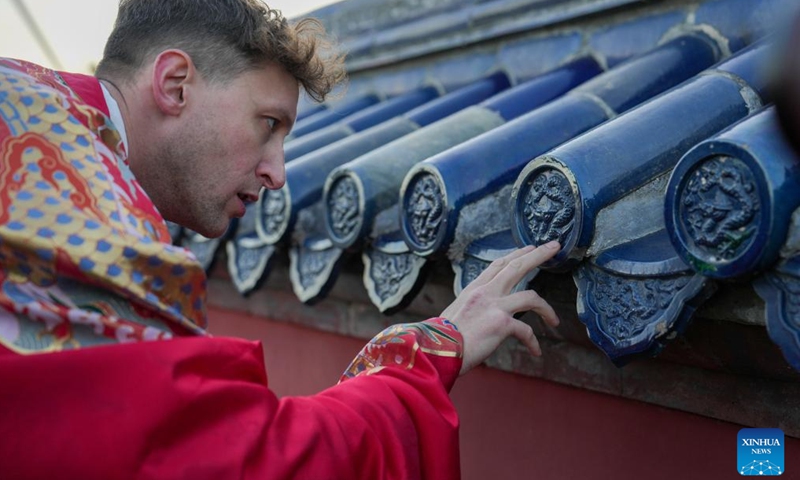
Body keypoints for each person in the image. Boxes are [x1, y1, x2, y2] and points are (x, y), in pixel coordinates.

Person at [0, 0, 561, 478]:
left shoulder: (35, 122)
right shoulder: (77, 206)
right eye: (268, 123)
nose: (278, 173)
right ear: (174, 83)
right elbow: (239, 461)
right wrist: (431, 350)